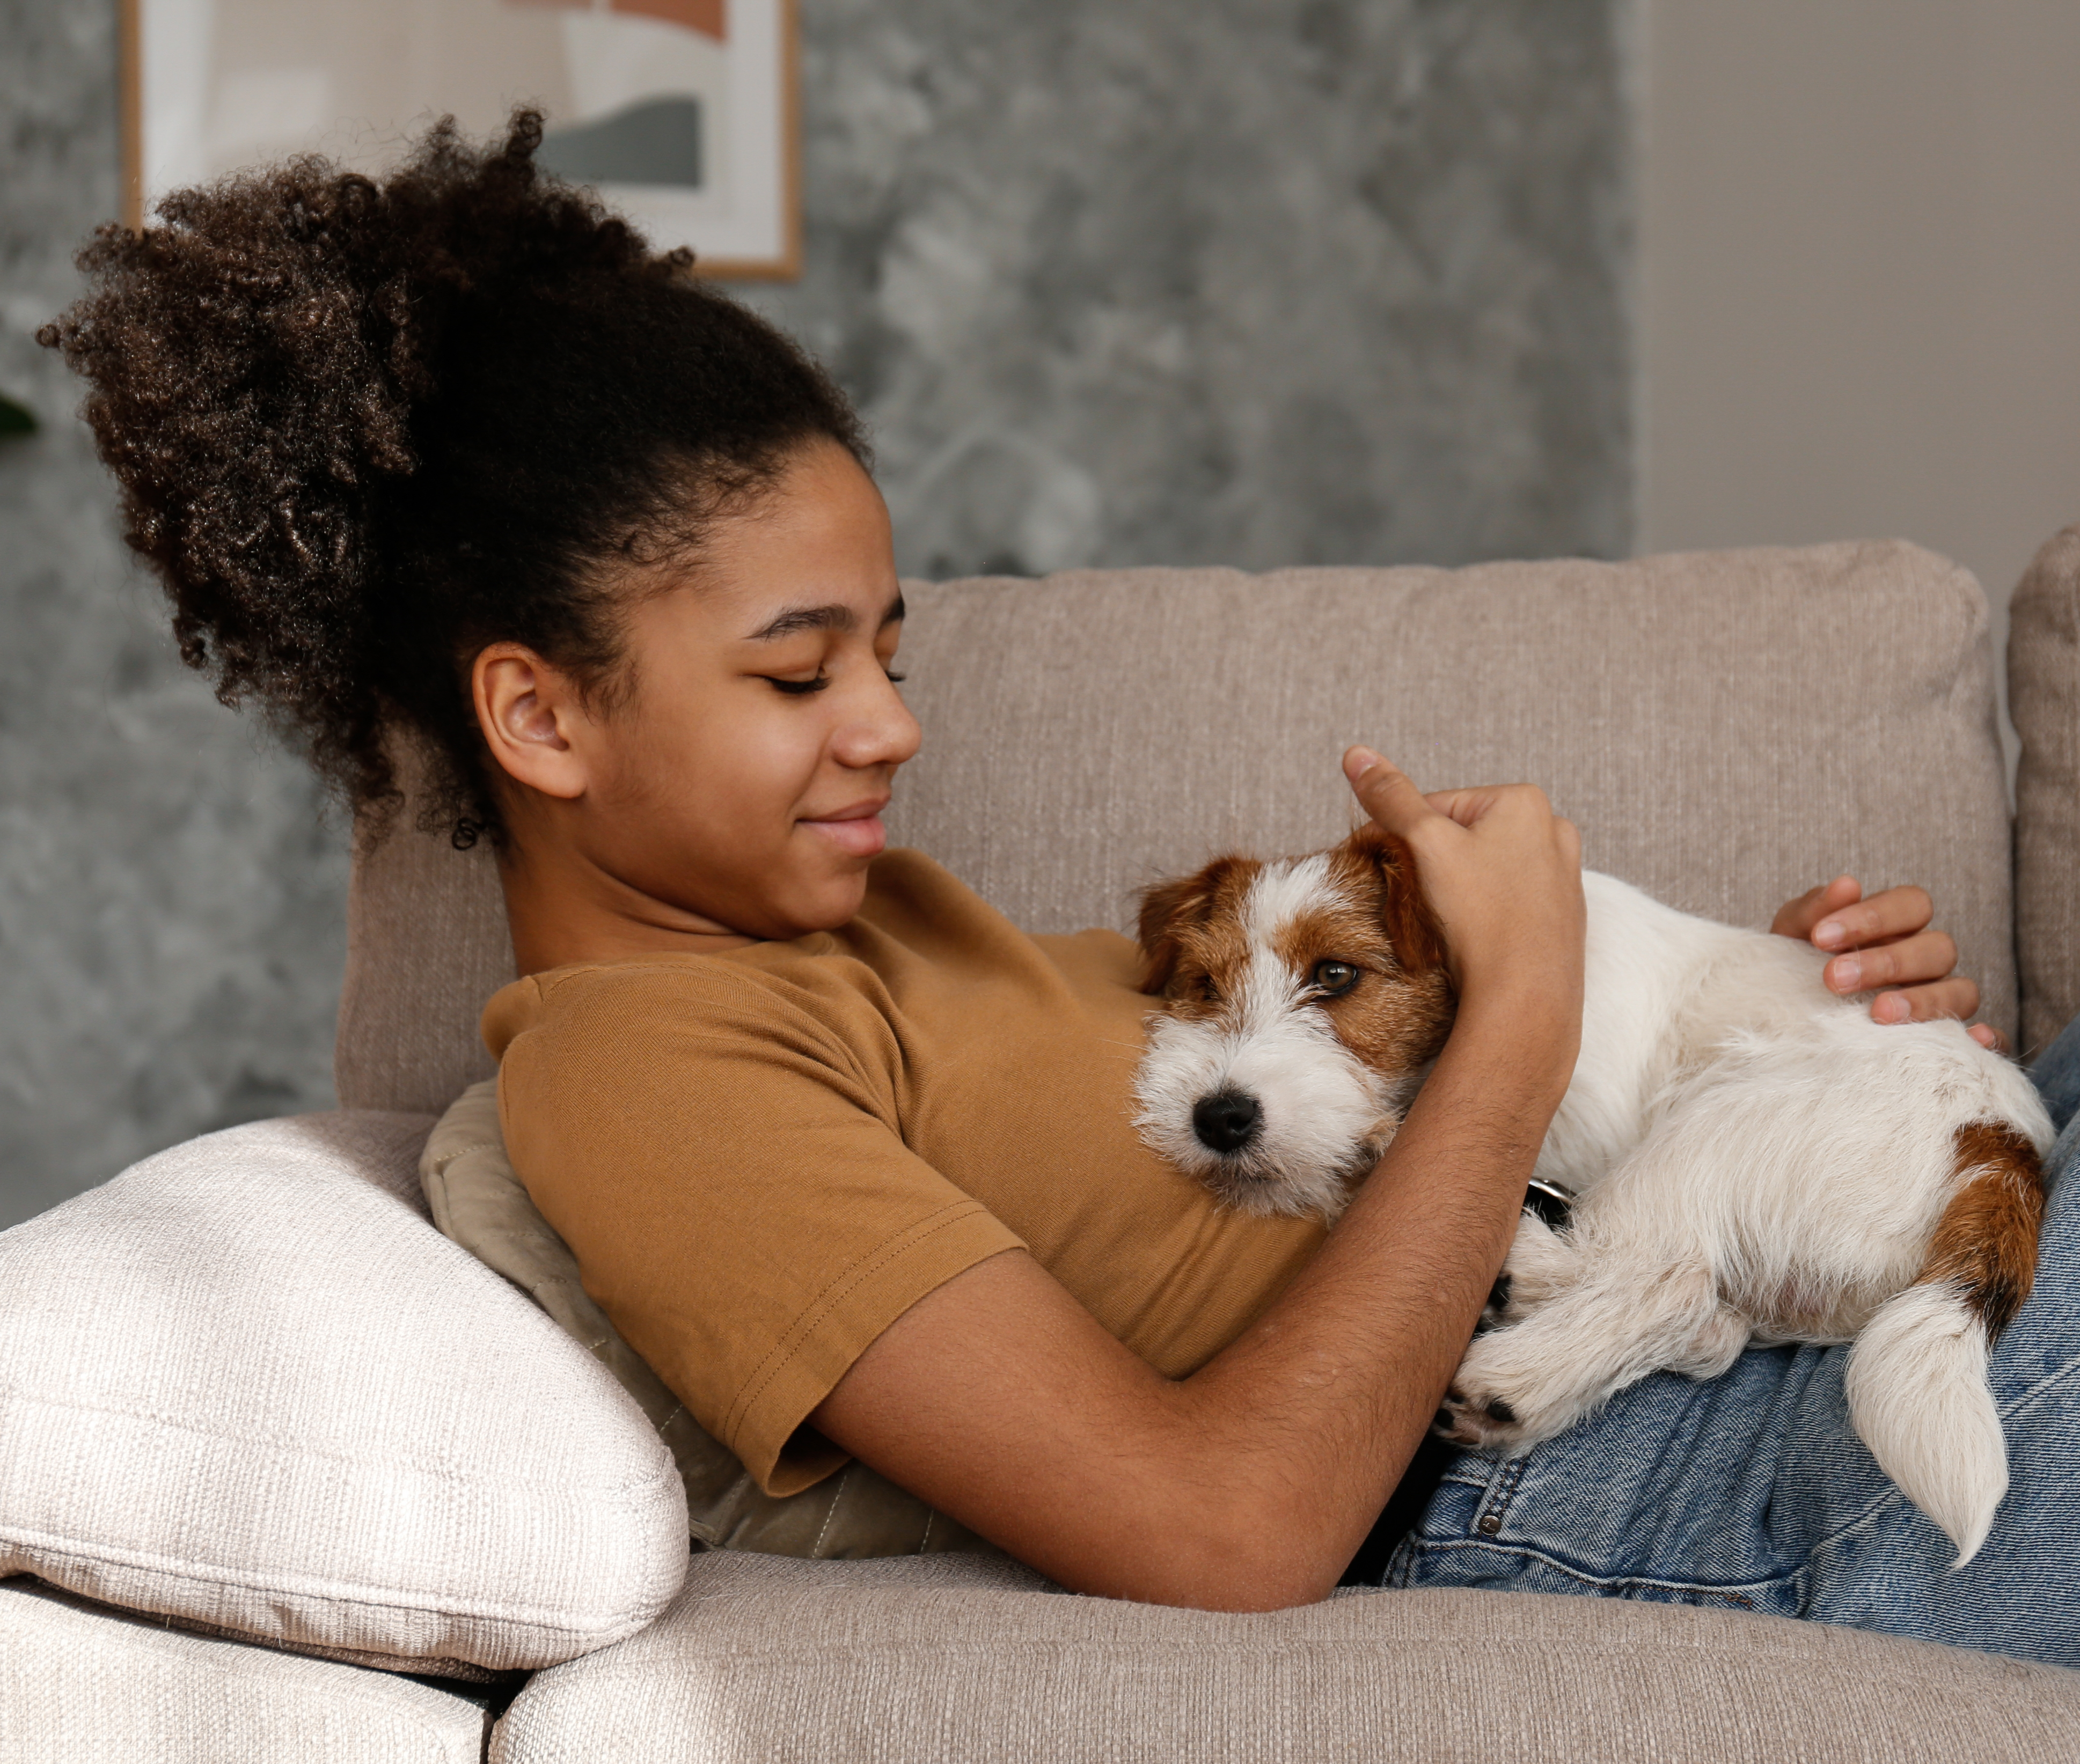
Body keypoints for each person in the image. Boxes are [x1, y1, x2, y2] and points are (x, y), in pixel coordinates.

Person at [42, 114, 2074, 1660]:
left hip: (1758, 1279)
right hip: (1633, 1452)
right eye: (794, 671)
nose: (889, 730)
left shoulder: (893, 934)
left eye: (888, 659)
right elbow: (1220, 1527)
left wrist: (1788, 1019)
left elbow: (1360, 1031)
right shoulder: (646, 1081)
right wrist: (1524, 1017)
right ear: (543, 721)